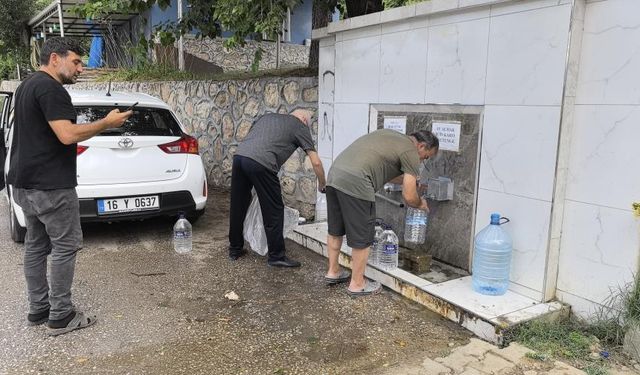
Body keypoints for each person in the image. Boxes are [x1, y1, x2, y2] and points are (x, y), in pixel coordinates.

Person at [7, 37, 132, 335]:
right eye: (76, 61)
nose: (81, 68)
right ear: (55, 58)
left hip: (25, 184)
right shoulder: (52, 89)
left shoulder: (26, 85)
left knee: (36, 245)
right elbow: (66, 135)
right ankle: (61, 315)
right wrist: (106, 123)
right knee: (65, 245)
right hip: (51, 186)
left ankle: (39, 309)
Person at [324, 129, 439, 296]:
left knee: (335, 229)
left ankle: (333, 271)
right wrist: (420, 203)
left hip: (335, 176)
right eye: (426, 156)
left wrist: (412, 178)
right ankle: (357, 284)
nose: (422, 161)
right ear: (421, 146)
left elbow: (384, 172)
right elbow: (409, 196)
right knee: (363, 236)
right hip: (358, 183)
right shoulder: (411, 151)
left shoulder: (389, 136)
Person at [228, 109, 326, 267]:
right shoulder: (299, 126)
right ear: (303, 119)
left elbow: (255, 138)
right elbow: (315, 162)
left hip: (240, 157)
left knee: (238, 204)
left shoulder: (267, 116)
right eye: (308, 121)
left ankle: (235, 249)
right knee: (274, 209)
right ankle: (276, 256)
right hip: (262, 163)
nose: (307, 124)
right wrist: (322, 184)